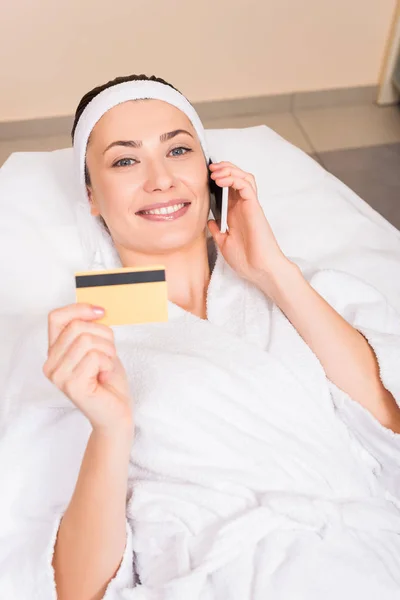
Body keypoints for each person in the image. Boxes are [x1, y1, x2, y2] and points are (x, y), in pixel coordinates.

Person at [1, 74, 400, 600]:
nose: (161, 179)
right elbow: (76, 588)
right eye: (125, 160)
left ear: (210, 172)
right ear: (91, 196)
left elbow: (387, 429)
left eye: (179, 150)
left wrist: (274, 274)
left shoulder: (303, 288)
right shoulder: (78, 341)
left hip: (373, 561)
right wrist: (111, 429)